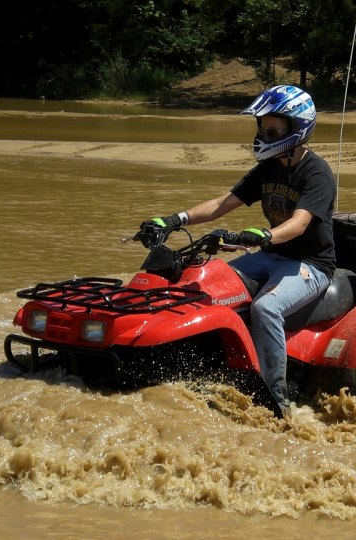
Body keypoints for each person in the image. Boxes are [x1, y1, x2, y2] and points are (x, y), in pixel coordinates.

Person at [142, 85, 337, 417]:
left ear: (297, 129)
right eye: (262, 128)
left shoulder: (316, 172)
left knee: (266, 308)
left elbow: (300, 223)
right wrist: (175, 218)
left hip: (310, 264)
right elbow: (222, 203)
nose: (264, 134)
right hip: (271, 256)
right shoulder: (269, 167)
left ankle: (275, 401)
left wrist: (264, 235)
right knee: (209, 284)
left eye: (273, 129)